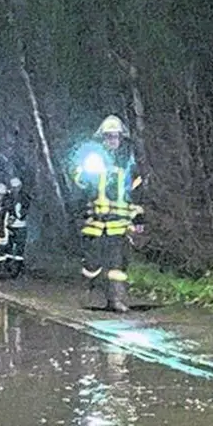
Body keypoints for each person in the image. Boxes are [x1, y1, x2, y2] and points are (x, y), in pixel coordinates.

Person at [70, 115, 144, 312]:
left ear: (121, 138)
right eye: (108, 136)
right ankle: (87, 291)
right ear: (102, 138)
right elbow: (78, 181)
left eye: (115, 136)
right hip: (95, 222)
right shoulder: (94, 159)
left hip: (118, 223)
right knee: (92, 264)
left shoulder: (128, 162)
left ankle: (117, 299)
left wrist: (138, 216)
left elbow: (136, 190)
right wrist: (86, 175)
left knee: (117, 265)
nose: (112, 140)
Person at [4, 176, 29, 278]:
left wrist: (16, 216)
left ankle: (18, 269)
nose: (15, 190)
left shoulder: (24, 197)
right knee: (8, 247)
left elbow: (24, 210)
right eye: (13, 188)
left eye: (17, 187)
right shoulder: (8, 197)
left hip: (20, 226)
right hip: (10, 226)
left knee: (19, 249)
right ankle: (8, 267)